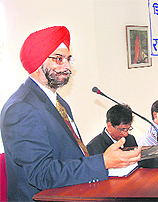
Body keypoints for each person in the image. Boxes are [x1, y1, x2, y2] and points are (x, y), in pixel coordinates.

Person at [0, 26, 141, 201]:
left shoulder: (60, 103)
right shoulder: (21, 108)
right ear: (38, 61)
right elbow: (41, 174)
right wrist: (102, 162)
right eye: (59, 59)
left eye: (68, 59)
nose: (67, 66)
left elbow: (72, 155)